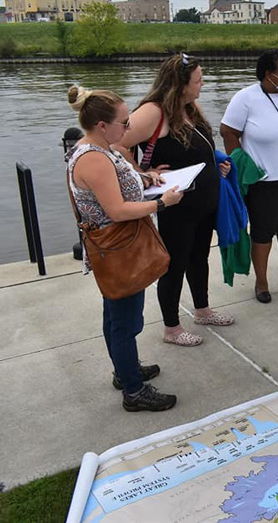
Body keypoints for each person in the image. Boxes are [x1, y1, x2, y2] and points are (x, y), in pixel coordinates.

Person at [66, 85, 182, 411]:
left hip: (119, 247)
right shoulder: (93, 158)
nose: (128, 128)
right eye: (124, 122)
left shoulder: (101, 149)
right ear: (102, 125)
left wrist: (147, 177)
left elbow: (119, 182)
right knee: (125, 321)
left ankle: (125, 370)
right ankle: (133, 390)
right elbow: (116, 210)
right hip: (119, 249)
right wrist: (162, 203)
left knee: (118, 315)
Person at [117, 53, 234, 347]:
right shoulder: (153, 112)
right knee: (175, 264)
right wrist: (143, 172)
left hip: (203, 202)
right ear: (180, 84)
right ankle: (171, 328)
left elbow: (199, 148)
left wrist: (217, 163)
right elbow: (116, 144)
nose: (203, 84)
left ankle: (202, 310)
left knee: (199, 258)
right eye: (198, 80)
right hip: (176, 206)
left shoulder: (189, 108)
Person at [220, 50, 278, 303]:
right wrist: (242, 162)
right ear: (267, 75)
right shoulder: (246, 98)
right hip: (264, 182)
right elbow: (228, 131)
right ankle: (261, 283)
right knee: (263, 231)